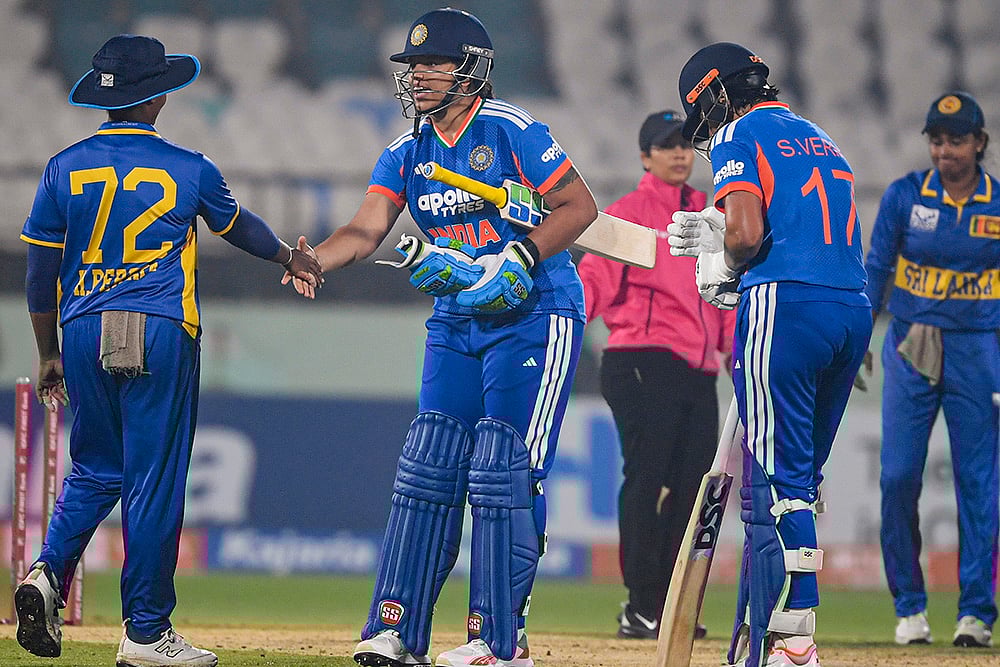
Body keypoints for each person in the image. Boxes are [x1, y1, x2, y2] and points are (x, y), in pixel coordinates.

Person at [282, 8, 597, 667]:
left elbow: (579, 208)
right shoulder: (406, 150)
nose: (418, 76)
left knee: (505, 471)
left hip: (536, 312)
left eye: (433, 64)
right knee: (430, 465)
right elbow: (367, 230)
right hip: (457, 317)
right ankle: (397, 629)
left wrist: (523, 257)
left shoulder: (511, 129)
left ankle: (501, 640)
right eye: (412, 66)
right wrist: (313, 260)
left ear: (472, 69)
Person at [15, 34, 322, 667]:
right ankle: (146, 632)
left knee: (97, 467)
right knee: (152, 481)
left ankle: (47, 572)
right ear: (157, 96)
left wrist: (47, 352)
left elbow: (39, 275)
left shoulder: (63, 166)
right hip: (158, 327)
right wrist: (293, 258)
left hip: (81, 329)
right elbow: (241, 229)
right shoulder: (189, 167)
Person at [668, 42, 872, 667]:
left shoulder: (737, 133)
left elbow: (749, 233)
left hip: (785, 305)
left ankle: (792, 639)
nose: (704, 133)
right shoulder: (820, 136)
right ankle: (797, 629)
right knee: (803, 476)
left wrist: (724, 267)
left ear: (717, 94)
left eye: (701, 114)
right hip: (852, 307)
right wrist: (723, 231)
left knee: (779, 476)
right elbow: (801, 219)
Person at [576, 110, 734, 640]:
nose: (679, 154)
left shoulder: (711, 215)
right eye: (666, 146)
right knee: (647, 477)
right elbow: (592, 282)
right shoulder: (627, 214)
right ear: (645, 157)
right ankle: (642, 603)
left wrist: (743, 358)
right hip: (640, 358)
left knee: (693, 489)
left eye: (686, 144)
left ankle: (667, 602)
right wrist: (556, 329)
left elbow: (726, 299)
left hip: (696, 366)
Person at [858, 90, 1000, 649]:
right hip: (911, 343)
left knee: (978, 482)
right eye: (937, 141)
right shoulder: (904, 196)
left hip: (978, 346)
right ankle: (909, 607)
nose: (945, 152)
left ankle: (976, 614)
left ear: (980, 143)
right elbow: (876, 267)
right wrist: (859, 336)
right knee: (897, 477)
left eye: (957, 141)